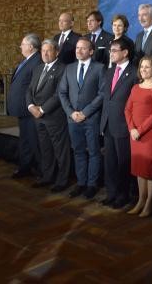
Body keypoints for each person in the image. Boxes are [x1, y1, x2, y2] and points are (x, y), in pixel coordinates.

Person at [58, 36, 105, 200]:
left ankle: (92, 185)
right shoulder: (69, 68)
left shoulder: (100, 68)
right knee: (78, 152)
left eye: (83, 48)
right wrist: (71, 112)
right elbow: (62, 93)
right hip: (73, 119)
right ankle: (81, 183)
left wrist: (85, 113)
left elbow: (102, 94)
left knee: (93, 152)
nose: (79, 51)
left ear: (91, 51)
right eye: (77, 48)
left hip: (91, 119)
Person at [26, 39, 71, 192]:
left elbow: (59, 94)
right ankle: (47, 177)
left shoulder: (63, 69)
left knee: (60, 150)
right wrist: (31, 106)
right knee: (45, 149)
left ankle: (62, 180)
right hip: (37, 117)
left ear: (56, 52)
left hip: (54, 117)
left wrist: (42, 110)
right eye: (43, 51)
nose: (45, 53)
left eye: (48, 50)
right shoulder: (38, 68)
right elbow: (29, 90)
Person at [100, 37, 138, 209]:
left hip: (124, 125)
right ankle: (111, 193)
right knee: (110, 162)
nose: (111, 53)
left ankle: (123, 195)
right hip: (108, 123)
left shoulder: (134, 72)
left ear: (125, 52)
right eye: (110, 50)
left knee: (124, 163)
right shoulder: (109, 72)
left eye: (114, 50)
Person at [124, 56, 152, 217]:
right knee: (140, 169)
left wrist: (139, 130)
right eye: (142, 67)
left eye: (147, 67)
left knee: (150, 169)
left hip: (150, 134)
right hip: (134, 135)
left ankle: (149, 203)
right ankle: (141, 200)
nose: (144, 70)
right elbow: (127, 109)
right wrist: (131, 128)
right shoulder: (135, 87)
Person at [7, 33, 42, 178]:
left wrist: (31, 105)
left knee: (34, 141)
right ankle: (25, 167)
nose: (20, 46)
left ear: (31, 46)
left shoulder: (37, 61)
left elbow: (34, 87)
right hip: (23, 109)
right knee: (25, 140)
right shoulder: (28, 60)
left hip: (30, 109)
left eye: (23, 44)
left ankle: (42, 171)